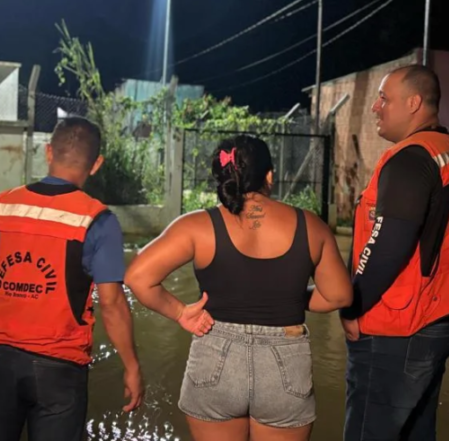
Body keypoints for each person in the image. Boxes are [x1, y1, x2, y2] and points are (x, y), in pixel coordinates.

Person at [125, 134, 353, 441]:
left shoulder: (196, 226)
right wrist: (293, 299)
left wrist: (180, 312)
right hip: (285, 362)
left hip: (214, 355)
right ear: (269, 175)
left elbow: (138, 277)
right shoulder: (311, 226)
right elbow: (339, 295)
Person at [0, 116, 144, 441]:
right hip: (59, 365)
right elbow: (112, 304)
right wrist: (131, 365)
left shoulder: (4, 205)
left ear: (48, 152)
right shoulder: (98, 220)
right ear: (97, 163)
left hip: (0, 358)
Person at [339, 65, 449, 441]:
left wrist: (351, 305)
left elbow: (388, 244)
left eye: (384, 98)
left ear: (414, 102)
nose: (376, 107)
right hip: (443, 314)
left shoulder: (410, 159)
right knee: (415, 429)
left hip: (401, 324)